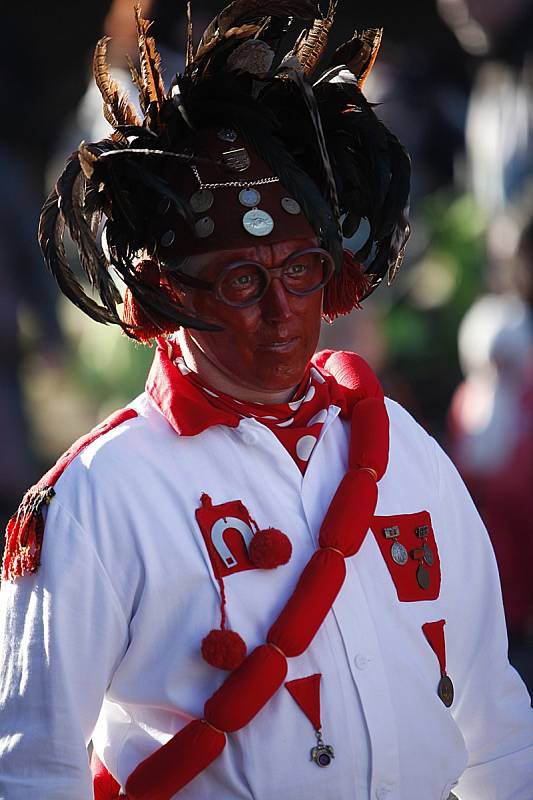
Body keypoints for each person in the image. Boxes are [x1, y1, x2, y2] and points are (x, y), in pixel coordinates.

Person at [1, 3, 533, 799]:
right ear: (169, 294)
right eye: (244, 279)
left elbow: (493, 728)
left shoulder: (404, 450)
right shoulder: (98, 496)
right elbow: (34, 771)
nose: (285, 311)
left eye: (300, 270)